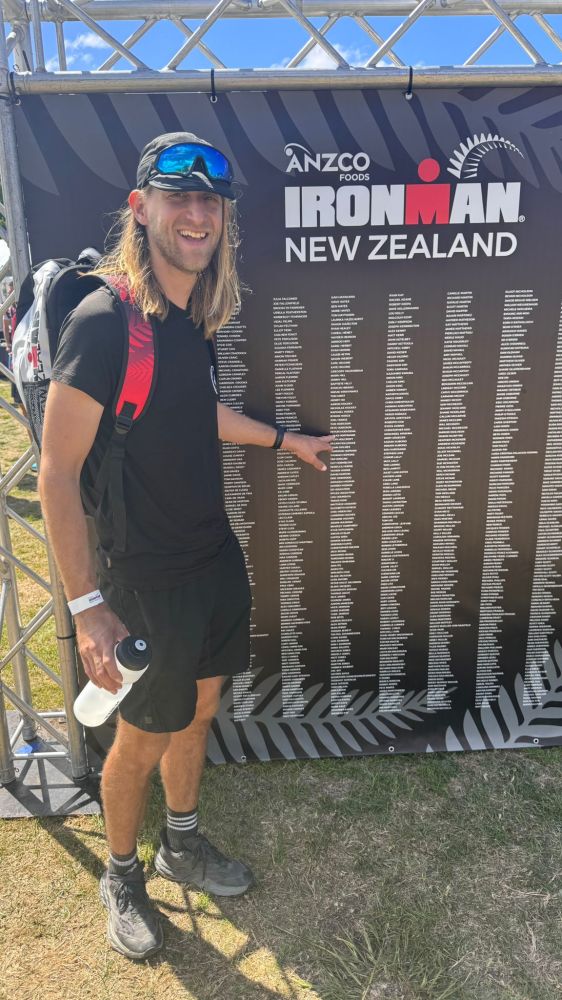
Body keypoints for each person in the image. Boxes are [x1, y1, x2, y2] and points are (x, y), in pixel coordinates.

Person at [38, 131, 333, 961]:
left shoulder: (189, 317)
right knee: (139, 737)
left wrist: (284, 441)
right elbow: (55, 476)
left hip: (211, 560)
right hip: (140, 580)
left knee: (199, 713)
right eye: (179, 198)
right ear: (142, 209)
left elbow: (185, 410)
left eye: (210, 202)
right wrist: (88, 607)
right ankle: (123, 874)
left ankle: (184, 841)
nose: (197, 213)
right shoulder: (104, 320)